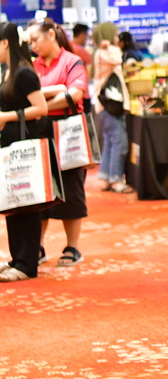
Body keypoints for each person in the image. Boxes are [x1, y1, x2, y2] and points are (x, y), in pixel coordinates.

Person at [28, 18, 89, 269]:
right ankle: (37, 247)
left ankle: (72, 247)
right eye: (30, 42)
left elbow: (74, 95)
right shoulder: (33, 66)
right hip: (39, 130)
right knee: (39, 190)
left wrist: (41, 104)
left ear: (51, 35)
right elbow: (26, 96)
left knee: (71, 189)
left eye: (36, 40)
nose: (33, 46)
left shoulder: (72, 62)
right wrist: (56, 90)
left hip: (67, 131)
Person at [0, 22, 49, 282]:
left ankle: (27, 264)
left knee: (27, 204)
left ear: (5, 43)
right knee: (14, 202)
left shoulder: (23, 73)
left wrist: (6, 117)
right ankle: (17, 259)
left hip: (25, 145)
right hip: (11, 146)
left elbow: (41, 108)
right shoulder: (8, 71)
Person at [92, 22, 133, 193]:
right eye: (115, 34)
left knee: (110, 142)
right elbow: (118, 59)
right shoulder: (106, 52)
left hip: (104, 106)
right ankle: (116, 179)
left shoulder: (100, 52)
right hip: (110, 106)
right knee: (119, 143)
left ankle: (106, 177)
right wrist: (110, 46)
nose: (117, 38)